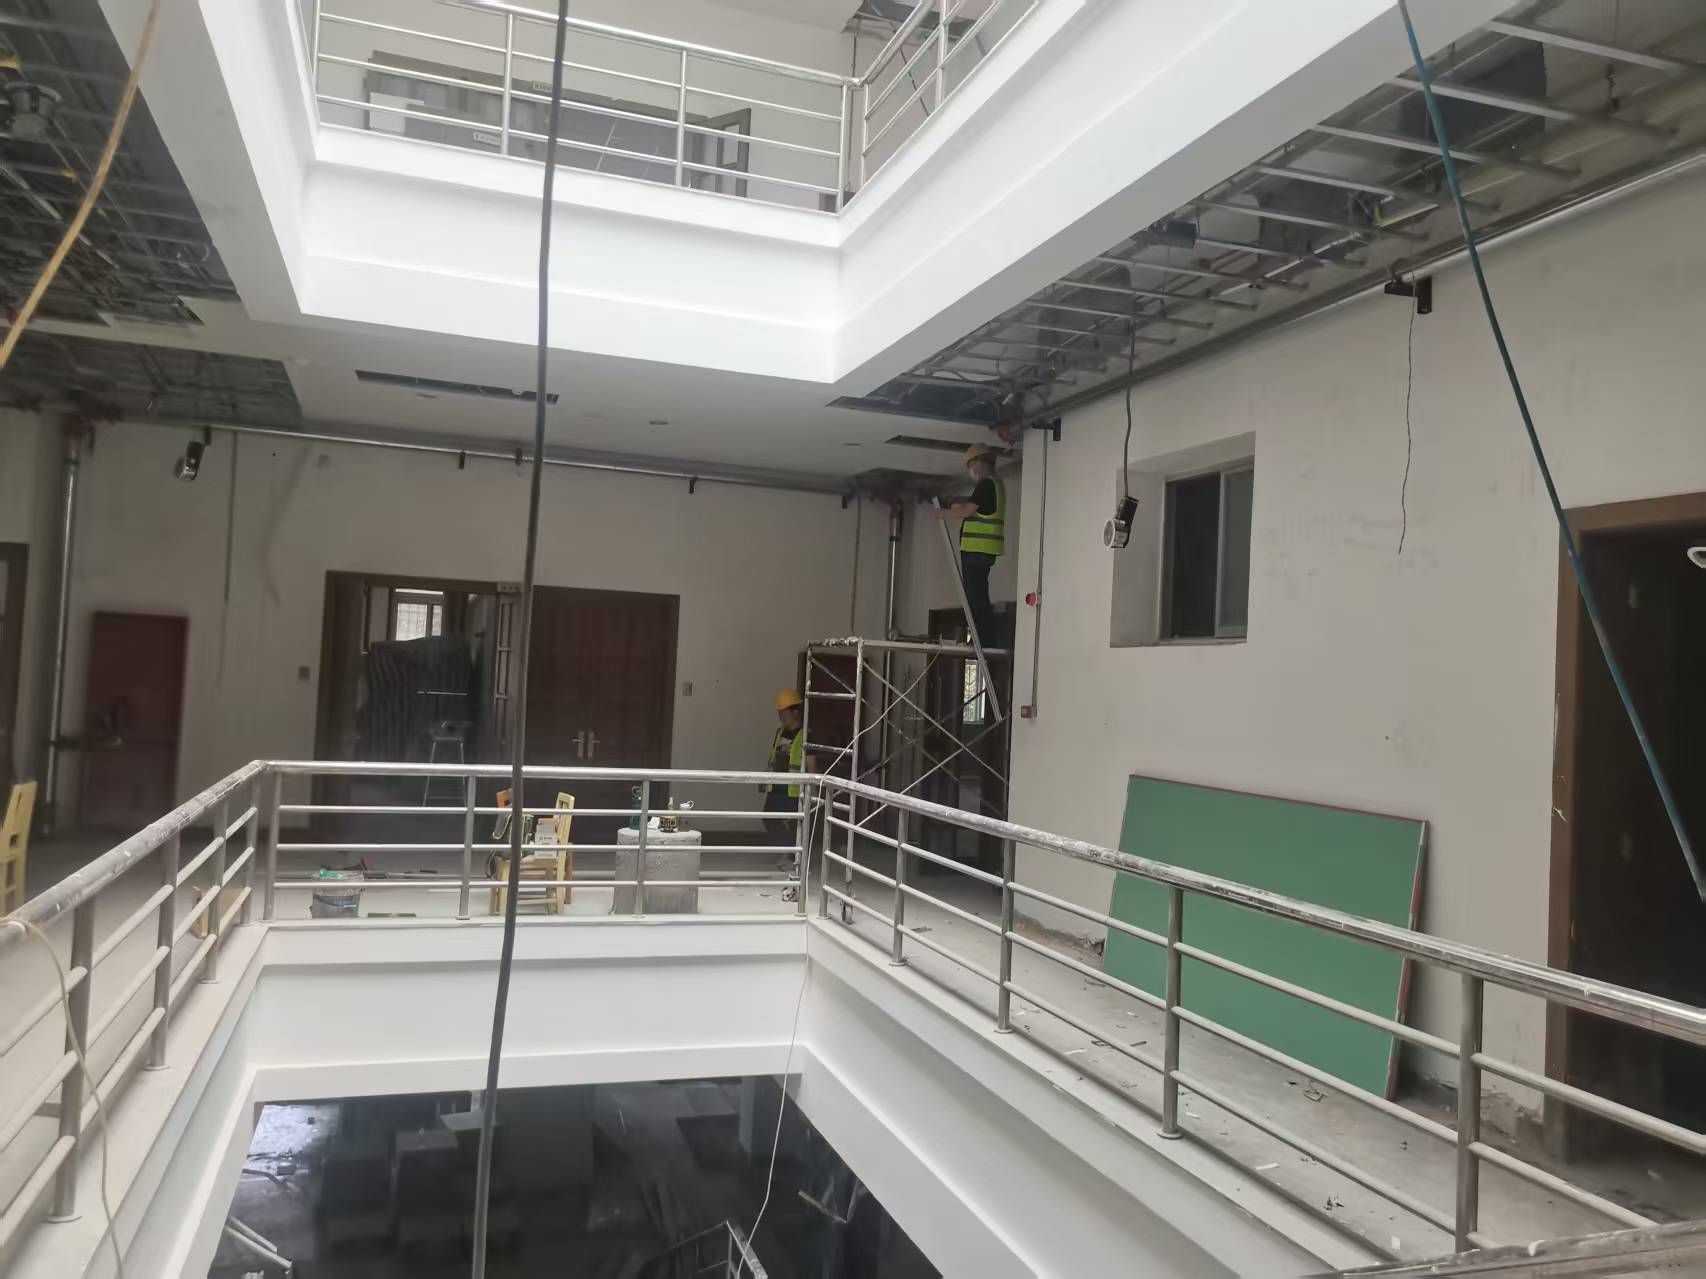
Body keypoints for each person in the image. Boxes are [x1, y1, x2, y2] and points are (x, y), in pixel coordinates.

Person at [931, 443, 1005, 648]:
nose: (971, 471)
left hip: (976, 550)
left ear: (980, 463)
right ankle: (983, 639)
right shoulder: (995, 486)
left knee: (976, 597)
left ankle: (982, 641)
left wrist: (943, 513)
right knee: (978, 595)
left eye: (971, 466)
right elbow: (973, 506)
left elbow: (967, 511)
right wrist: (956, 503)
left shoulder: (986, 484)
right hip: (984, 551)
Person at [761, 688, 807, 848]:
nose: (781, 716)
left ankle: (793, 854)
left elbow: (811, 764)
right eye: (779, 712)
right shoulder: (780, 732)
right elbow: (773, 757)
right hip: (776, 786)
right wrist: (764, 778)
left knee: (794, 823)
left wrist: (814, 791)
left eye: (784, 712)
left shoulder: (805, 735)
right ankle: (788, 850)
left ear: (795, 712)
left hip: (793, 789)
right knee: (769, 818)